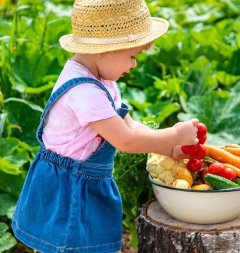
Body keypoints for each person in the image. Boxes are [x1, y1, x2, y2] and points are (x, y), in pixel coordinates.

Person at [11, 0, 199, 252]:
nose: (134, 64)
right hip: (70, 192)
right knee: (70, 245)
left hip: (86, 183)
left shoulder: (100, 79)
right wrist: (174, 133)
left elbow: (131, 128)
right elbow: (126, 141)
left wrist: (169, 147)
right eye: (132, 56)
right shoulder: (85, 91)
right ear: (105, 50)